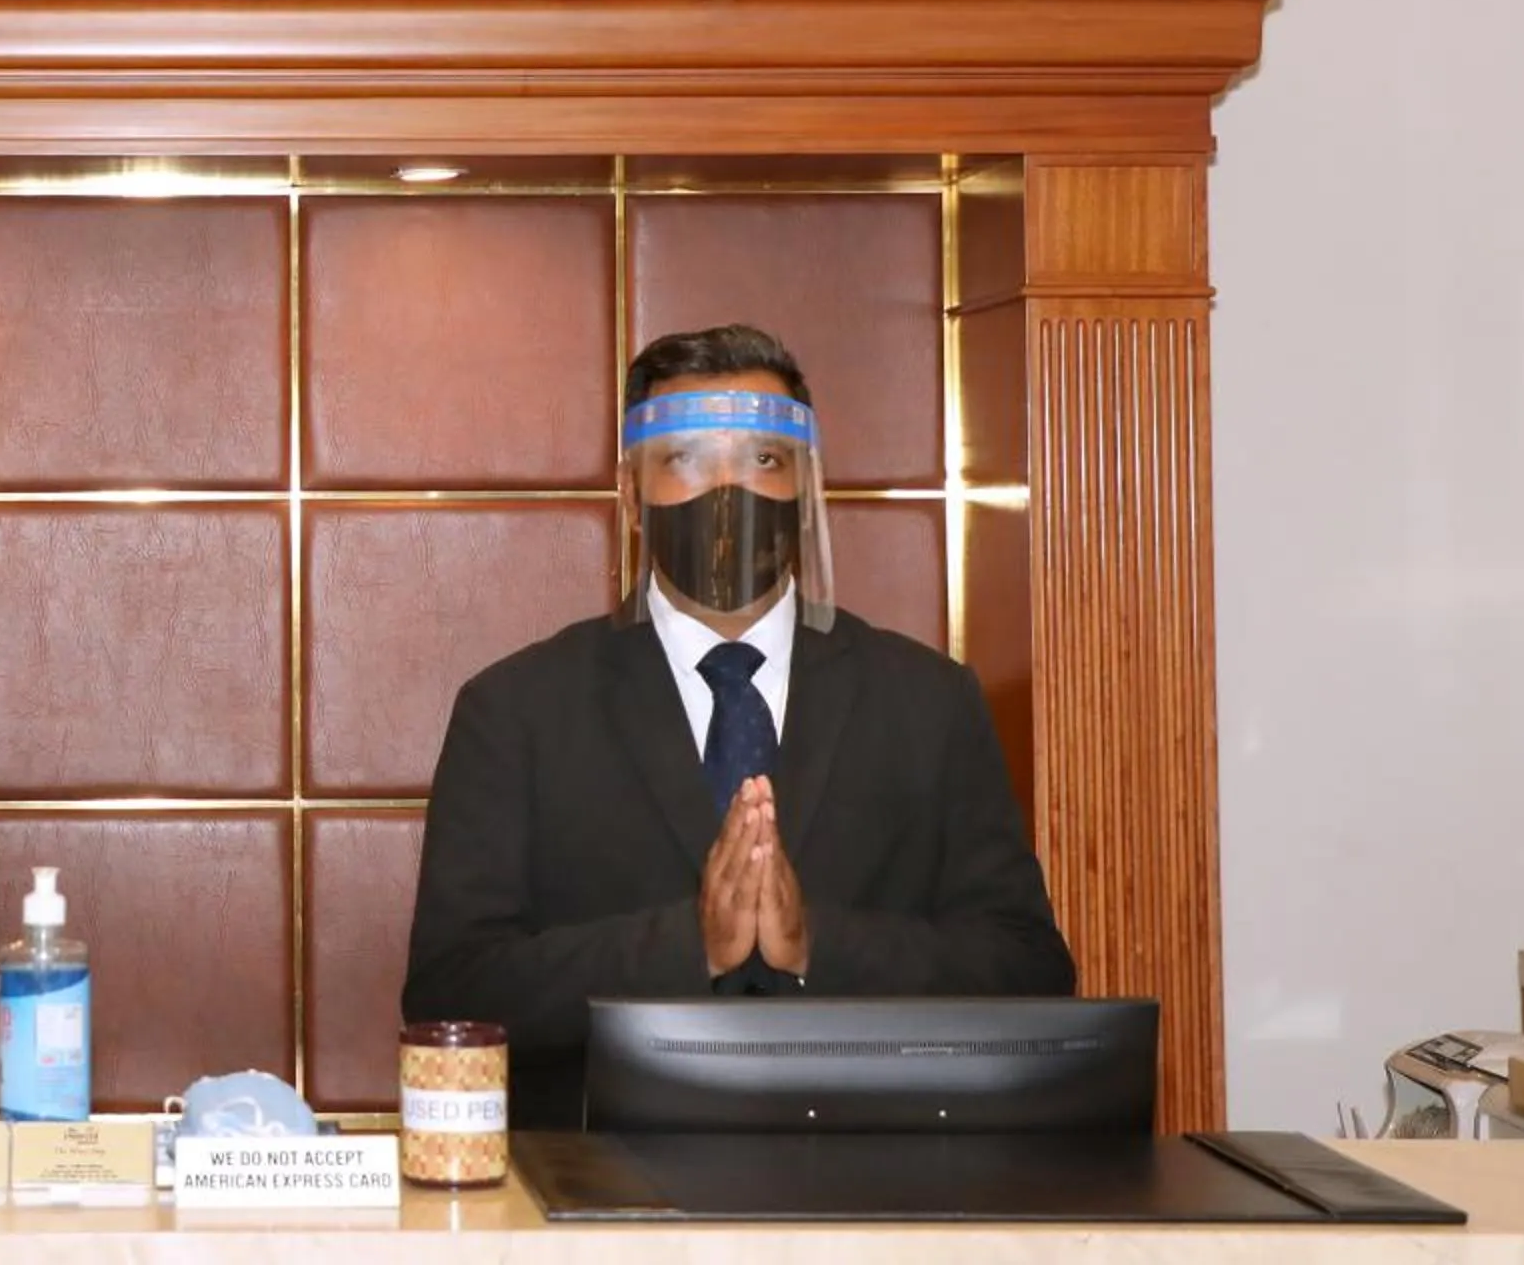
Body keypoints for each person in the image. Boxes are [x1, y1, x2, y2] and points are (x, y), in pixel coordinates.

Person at [402, 324, 1074, 1126]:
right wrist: (694, 944)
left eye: (762, 460)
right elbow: (453, 988)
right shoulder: (516, 710)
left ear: (807, 483)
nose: (728, 494)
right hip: (599, 1207)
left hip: (876, 1200)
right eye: (683, 460)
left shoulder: (928, 701)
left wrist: (813, 944)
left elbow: (1028, 968)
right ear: (630, 491)